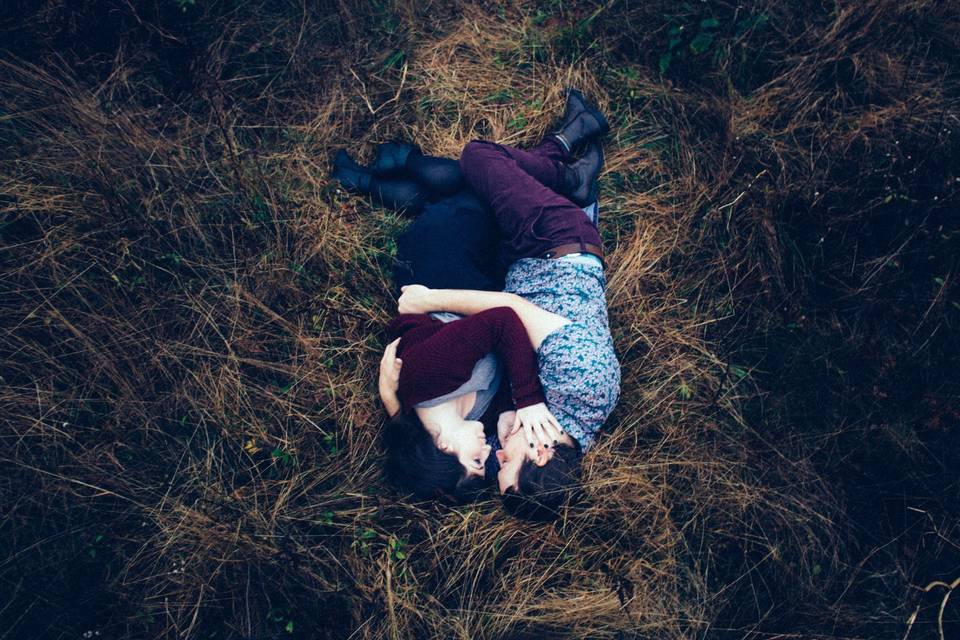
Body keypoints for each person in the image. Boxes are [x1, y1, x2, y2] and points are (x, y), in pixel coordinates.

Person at [396, 88, 622, 519]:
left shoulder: (541, 433)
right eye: (505, 464)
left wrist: (395, 404)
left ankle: (569, 169)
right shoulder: (583, 382)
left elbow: (441, 436)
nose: (497, 455)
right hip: (553, 242)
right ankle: (564, 169)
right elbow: (510, 312)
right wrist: (427, 300)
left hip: (516, 263)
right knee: (477, 157)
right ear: (540, 455)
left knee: (455, 188)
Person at [331, 137, 566, 502]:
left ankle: (398, 163)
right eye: (484, 462)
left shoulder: (428, 378)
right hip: (480, 284)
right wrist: (506, 410)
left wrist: (527, 399)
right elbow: (502, 361)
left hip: (439, 270)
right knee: (455, 197)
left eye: (475, 459)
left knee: (480, 185)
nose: (488, 453)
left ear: (440, 445)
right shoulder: (469, 421)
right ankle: (372, 175)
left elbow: (503, 321)